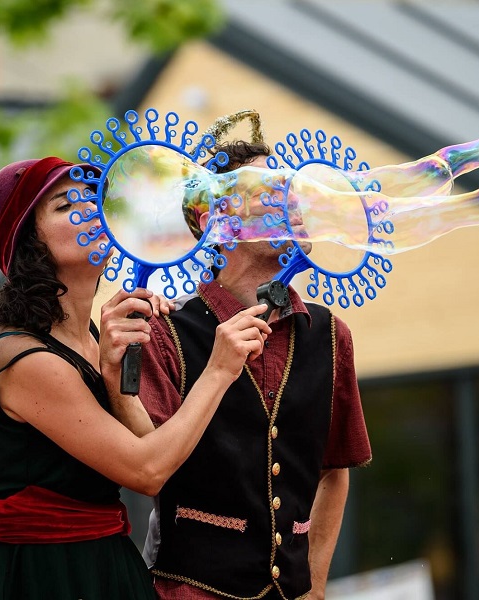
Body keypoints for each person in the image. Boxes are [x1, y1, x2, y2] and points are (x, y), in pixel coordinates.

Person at [0, 157, 270, 599]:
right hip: (35, 575)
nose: (89, 210)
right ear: (26, 241)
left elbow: (152, 448)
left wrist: (116, 375)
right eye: (64, 205)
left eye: (93, 199)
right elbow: (148, 470)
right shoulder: (25, 359)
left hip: (98, 559)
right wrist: (219, 369)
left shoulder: (92, 336)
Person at [129, 137, 372, 600]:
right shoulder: (166, 333)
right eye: (269, 190)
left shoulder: (331, 334)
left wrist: (315, 586)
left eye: (291, 189)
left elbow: (334, 470)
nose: (292, 200)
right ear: (216, 223)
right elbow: (144, 464)